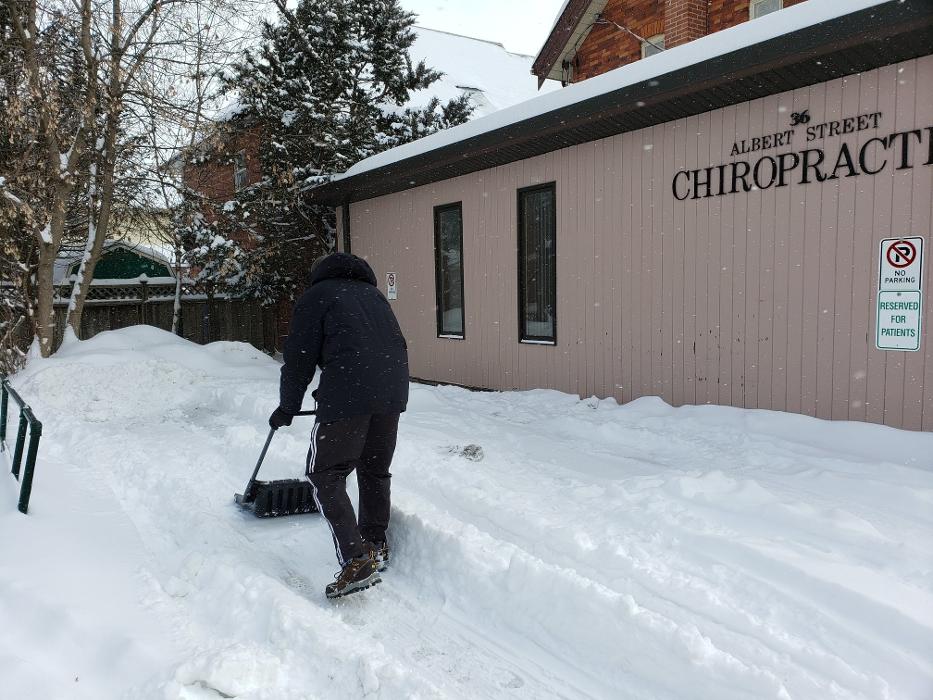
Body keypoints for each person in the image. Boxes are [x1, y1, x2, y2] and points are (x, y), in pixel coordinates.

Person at [269, 252, 409, 599]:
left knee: (324, 473)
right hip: (392, 392)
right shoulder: (374, 296)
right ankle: (374, 544)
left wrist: (288, 407)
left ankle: (356, 558)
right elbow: (385, 347)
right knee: (374, 469)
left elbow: (299, 358)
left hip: (349, 392)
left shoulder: (317, 296)